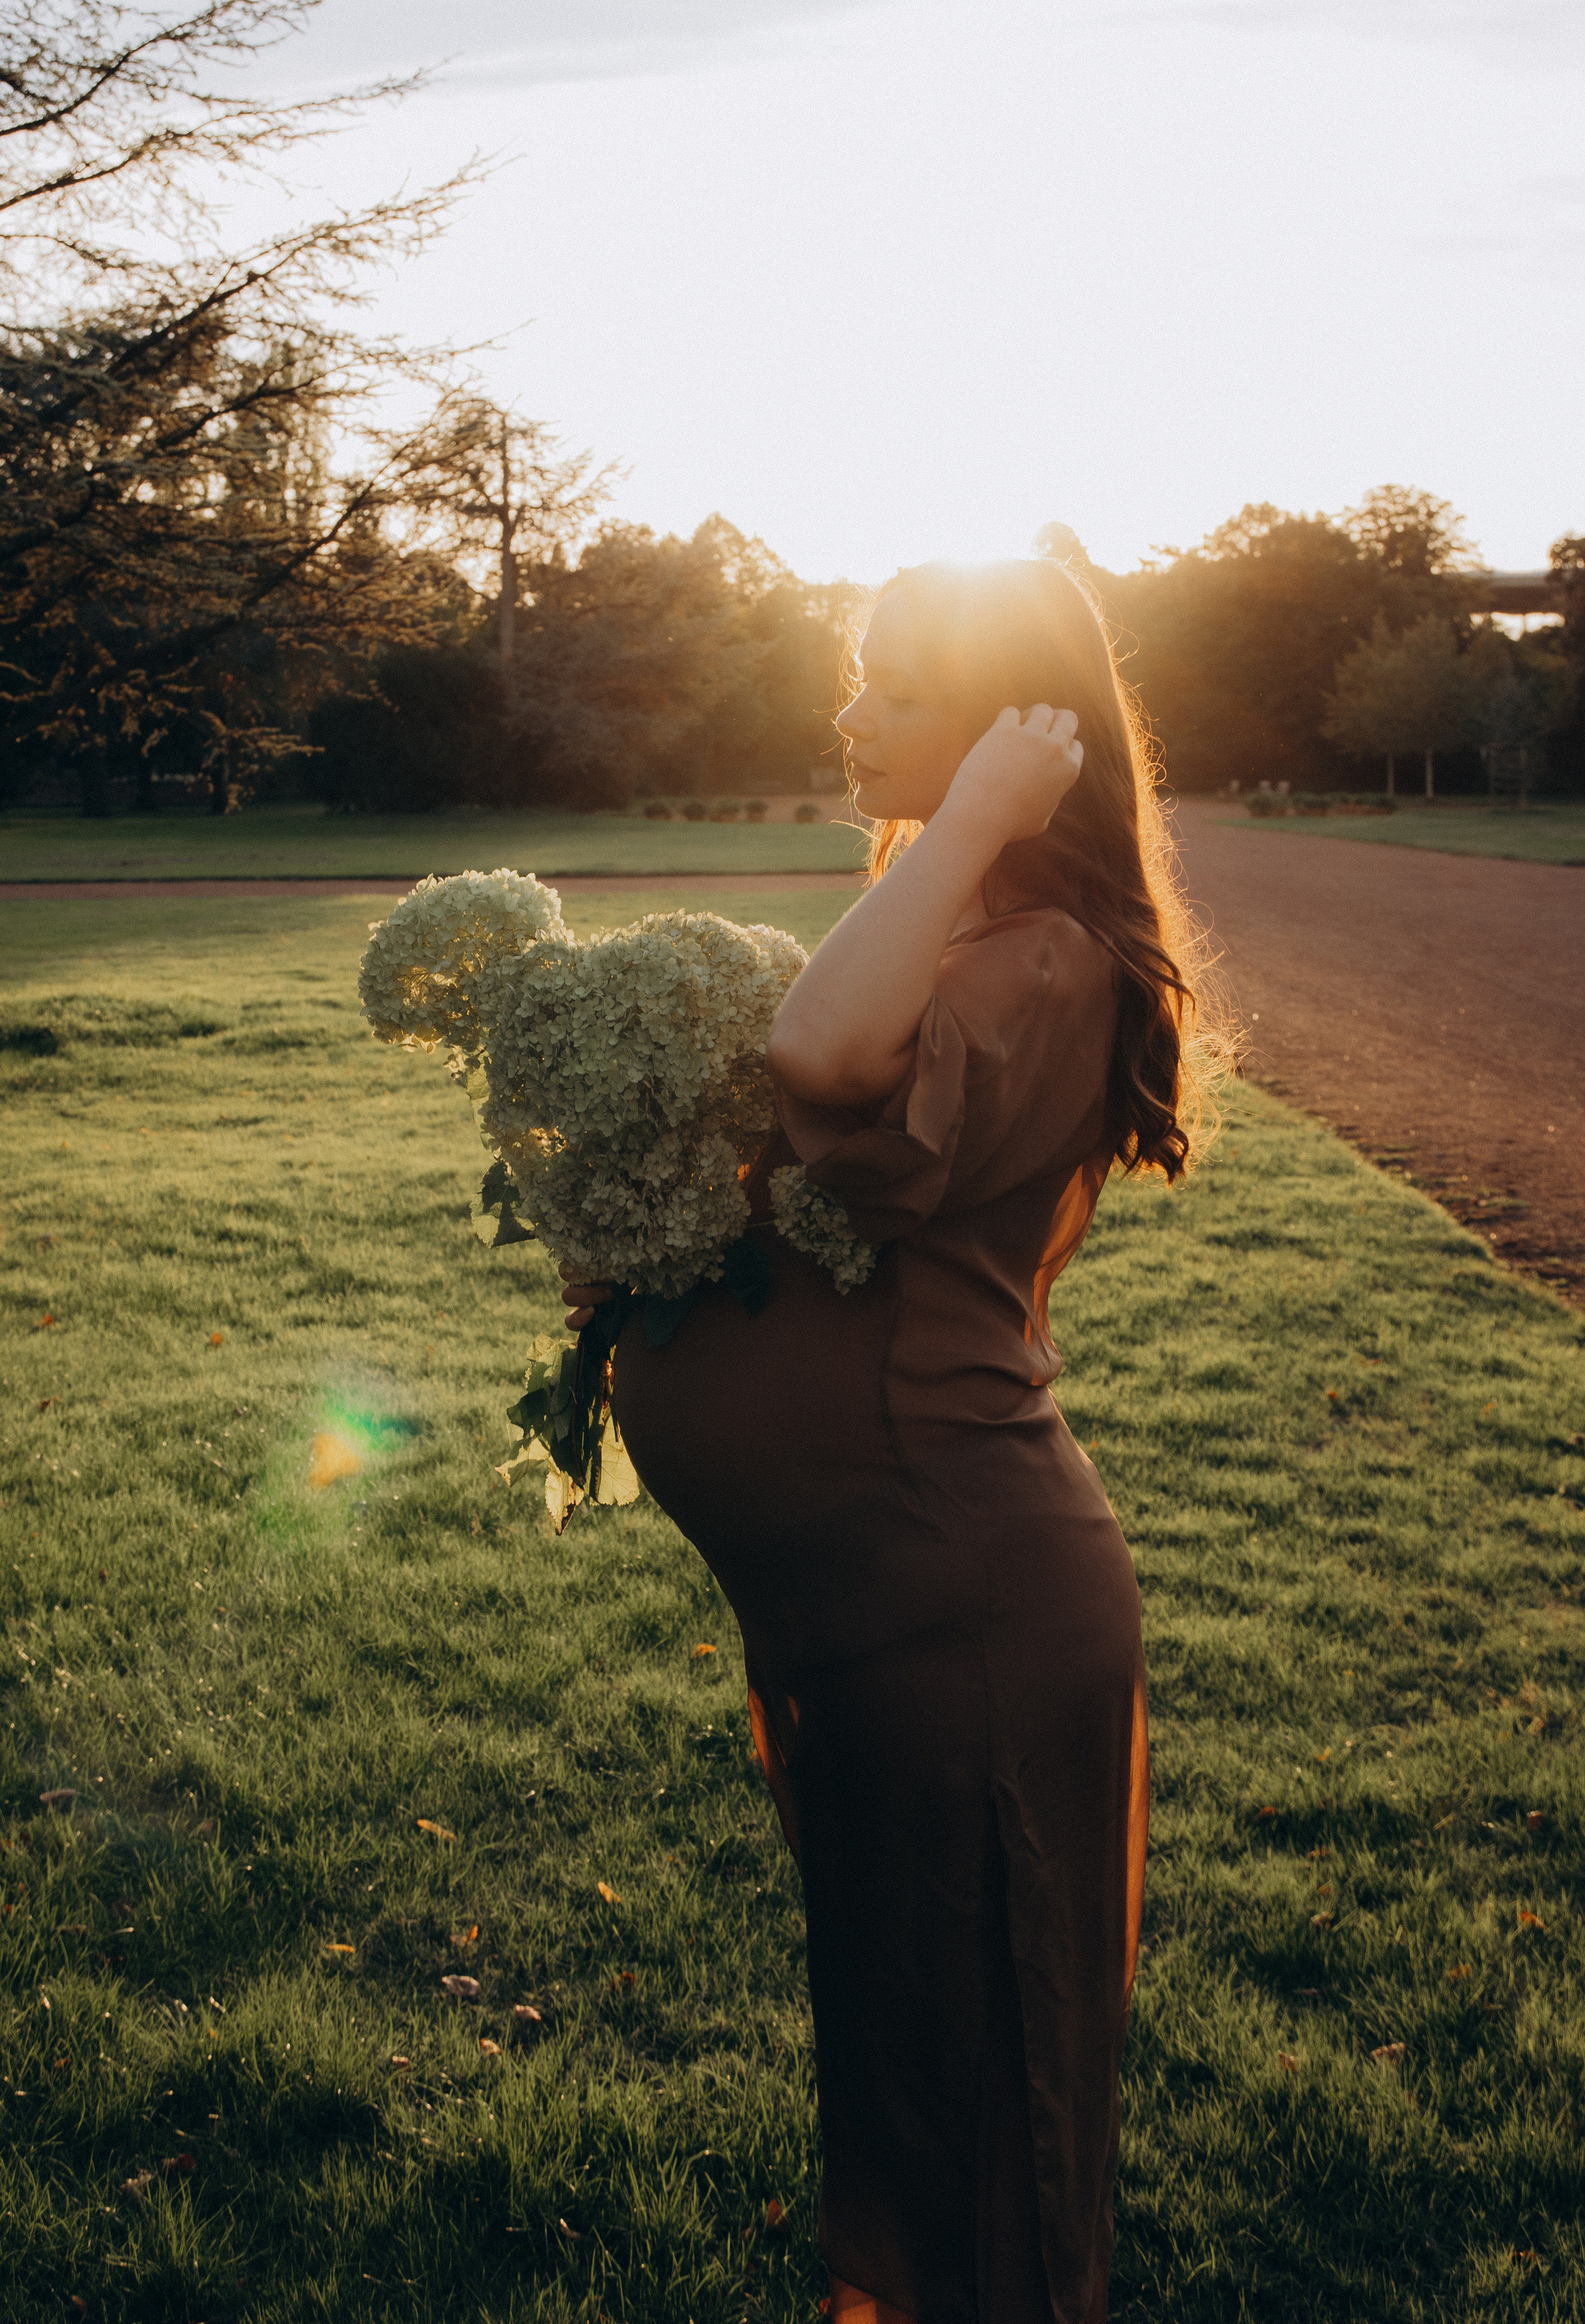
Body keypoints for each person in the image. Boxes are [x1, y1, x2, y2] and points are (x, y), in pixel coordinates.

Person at [561, 556, 1221, 2324]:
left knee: (985, 2066)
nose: (849, 715)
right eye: (852, 681)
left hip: (964, 1604)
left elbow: (824, 1054)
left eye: (896, 690)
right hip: (863, 1613)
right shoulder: (955, 924)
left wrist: (985, 812)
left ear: (1020, 732)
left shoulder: (1048, 954)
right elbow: (817, 1176)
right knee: (903, 2044)